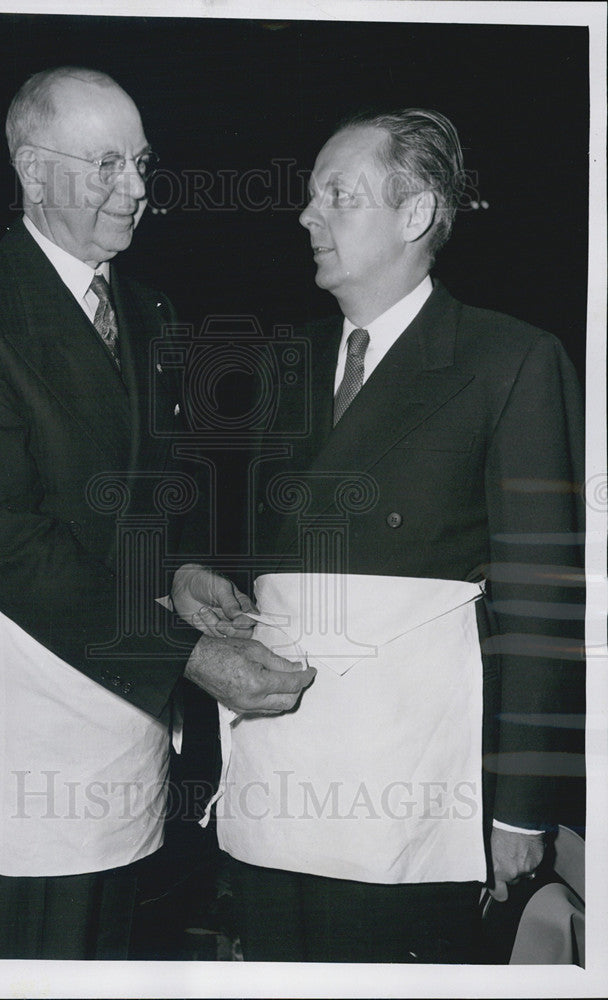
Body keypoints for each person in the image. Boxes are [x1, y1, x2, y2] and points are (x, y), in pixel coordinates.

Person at [0, 66, 313, 960]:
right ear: (32, 174)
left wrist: (182, 572)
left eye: (144, 164)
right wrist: (192, 656)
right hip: (7, 738)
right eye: (108, 166)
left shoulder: (150, 310)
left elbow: (144, 496)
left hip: (119, 730)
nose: (138, 191)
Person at [209, 108, 585, 963]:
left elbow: (543, 603)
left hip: (415, 800)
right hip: (281, 785)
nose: (308, 216)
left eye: (336, 195)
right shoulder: (286, 366)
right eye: (310, 197)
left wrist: (518, 808)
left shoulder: (511, 360)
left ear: (415, 216)